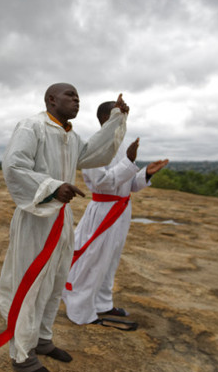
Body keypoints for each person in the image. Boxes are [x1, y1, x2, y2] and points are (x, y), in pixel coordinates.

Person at [0, 83, 128, 372]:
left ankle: (42, 339)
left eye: (78, 96)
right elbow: (14, 166)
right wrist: (53, 187)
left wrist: (117, 119)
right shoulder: (32, 127)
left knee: (55, 280)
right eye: (70, 95)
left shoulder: (71, 136)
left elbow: (94, 154)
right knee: (30, 282)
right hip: (35, 217)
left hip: (61, 218)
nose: (77, 100)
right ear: (51, 99)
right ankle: (21, 354)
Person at [61, 101, 169, 329]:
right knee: (94, 259)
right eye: (121, 115)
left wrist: (144, 174)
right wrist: (129, 162)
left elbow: (128, 184)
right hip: (103, 210)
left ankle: (102, 303)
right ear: (106, 118)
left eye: (126, 116)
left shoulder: (119, 144)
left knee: (110, 260)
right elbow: (102, 182)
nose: (124, 120)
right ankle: (80, 310)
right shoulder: (95, 145)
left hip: (121, 210)